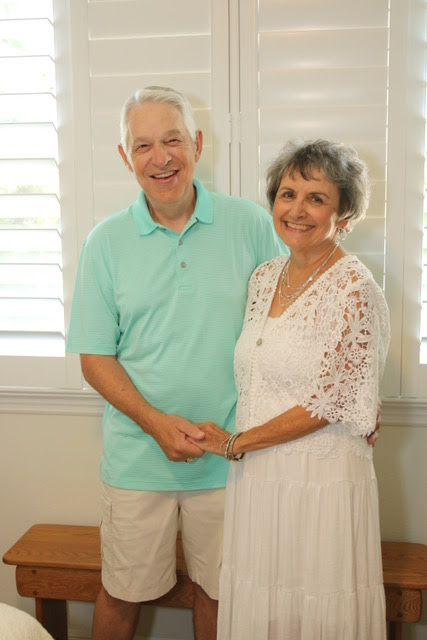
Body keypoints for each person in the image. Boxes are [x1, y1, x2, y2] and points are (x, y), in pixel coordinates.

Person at [66, 86, 284, 640]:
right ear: (125, 157)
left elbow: (290, 328)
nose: (160, 158)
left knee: (221, 593)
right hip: (137, 460)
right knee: (121, 594)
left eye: (173, 140)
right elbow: (94, 359)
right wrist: (156, 424)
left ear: (197, 144)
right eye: (143, 145)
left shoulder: (252, 225)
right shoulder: (104, 243)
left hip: (231, 456)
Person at [188, 139, 390, 639]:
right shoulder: (264, 277)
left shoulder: (355, 288)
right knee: (264, 609)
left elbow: (328, 403)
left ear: (344, 214)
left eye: (316, 198)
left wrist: (236, 443)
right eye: (287, 194)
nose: (297, 209)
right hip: (259, 481)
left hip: (319, 484)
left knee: (315, 613)